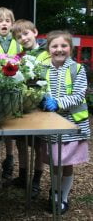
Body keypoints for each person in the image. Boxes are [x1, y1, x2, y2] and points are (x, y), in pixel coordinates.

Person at [40, 30, 90, 214]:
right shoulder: (42, 67)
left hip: (71, 125)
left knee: (66, 162)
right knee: (54, 162)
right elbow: (37, 88)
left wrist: (58, 103)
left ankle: (63, 197)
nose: (59, 49)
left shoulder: (77, 69)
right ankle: (53, 194)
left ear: (71, 48)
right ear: (48, 48)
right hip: (51, 124)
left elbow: (78, 95)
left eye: (64, 46)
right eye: (55, 46)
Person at [11, 19, 50, 198]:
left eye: (26, 33)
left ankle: (36, 181)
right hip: (24, 104)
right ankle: (22, 175)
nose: (23, 38)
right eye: (19, 36)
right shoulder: (19, 56)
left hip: (40, 103)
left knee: (39, 145)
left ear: (35, 32)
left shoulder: (46, 53)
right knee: (21, 142)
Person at [0, 7, 22, 181]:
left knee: (10, 126)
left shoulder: (18, 43)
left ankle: (9, 159)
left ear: (12, 24)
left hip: (13, 88)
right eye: (0, 21)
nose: (4, 23)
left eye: (7, 21)